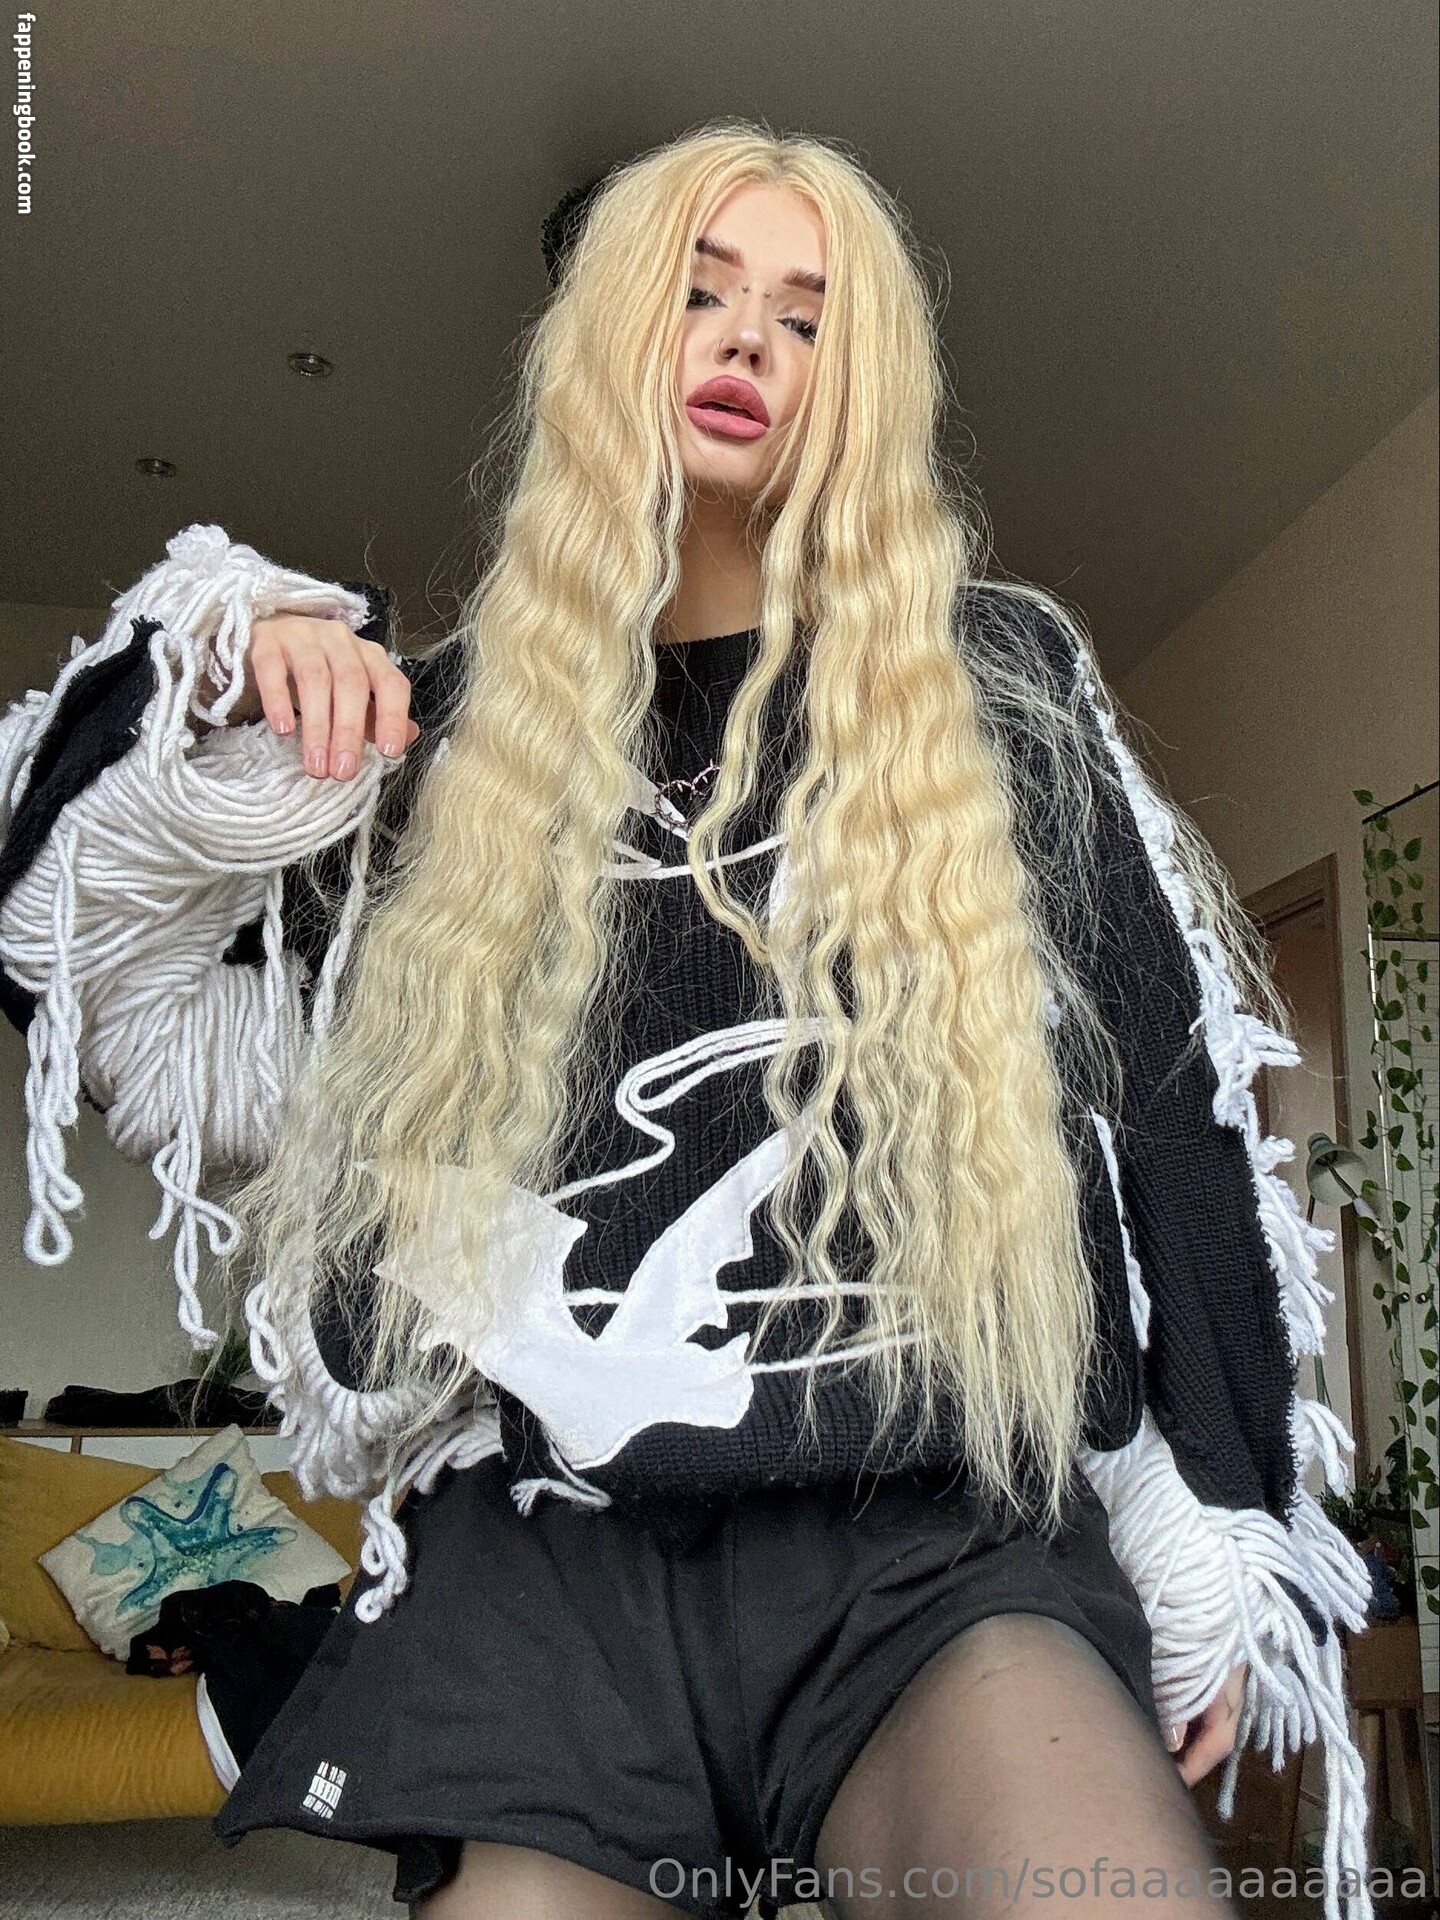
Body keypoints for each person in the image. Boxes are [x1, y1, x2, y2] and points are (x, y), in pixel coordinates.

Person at [0, 123, 1375, 1920]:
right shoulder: (433, 743)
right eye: (700, 295)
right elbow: (130, 1028)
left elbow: (1167, 1102)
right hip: (552, 1569)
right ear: (602, 338)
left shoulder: (995, 677)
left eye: (805, 318)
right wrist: (216, 687)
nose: (747, 343)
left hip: (926, 1542)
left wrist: (1209, 1517)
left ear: (854, 387)